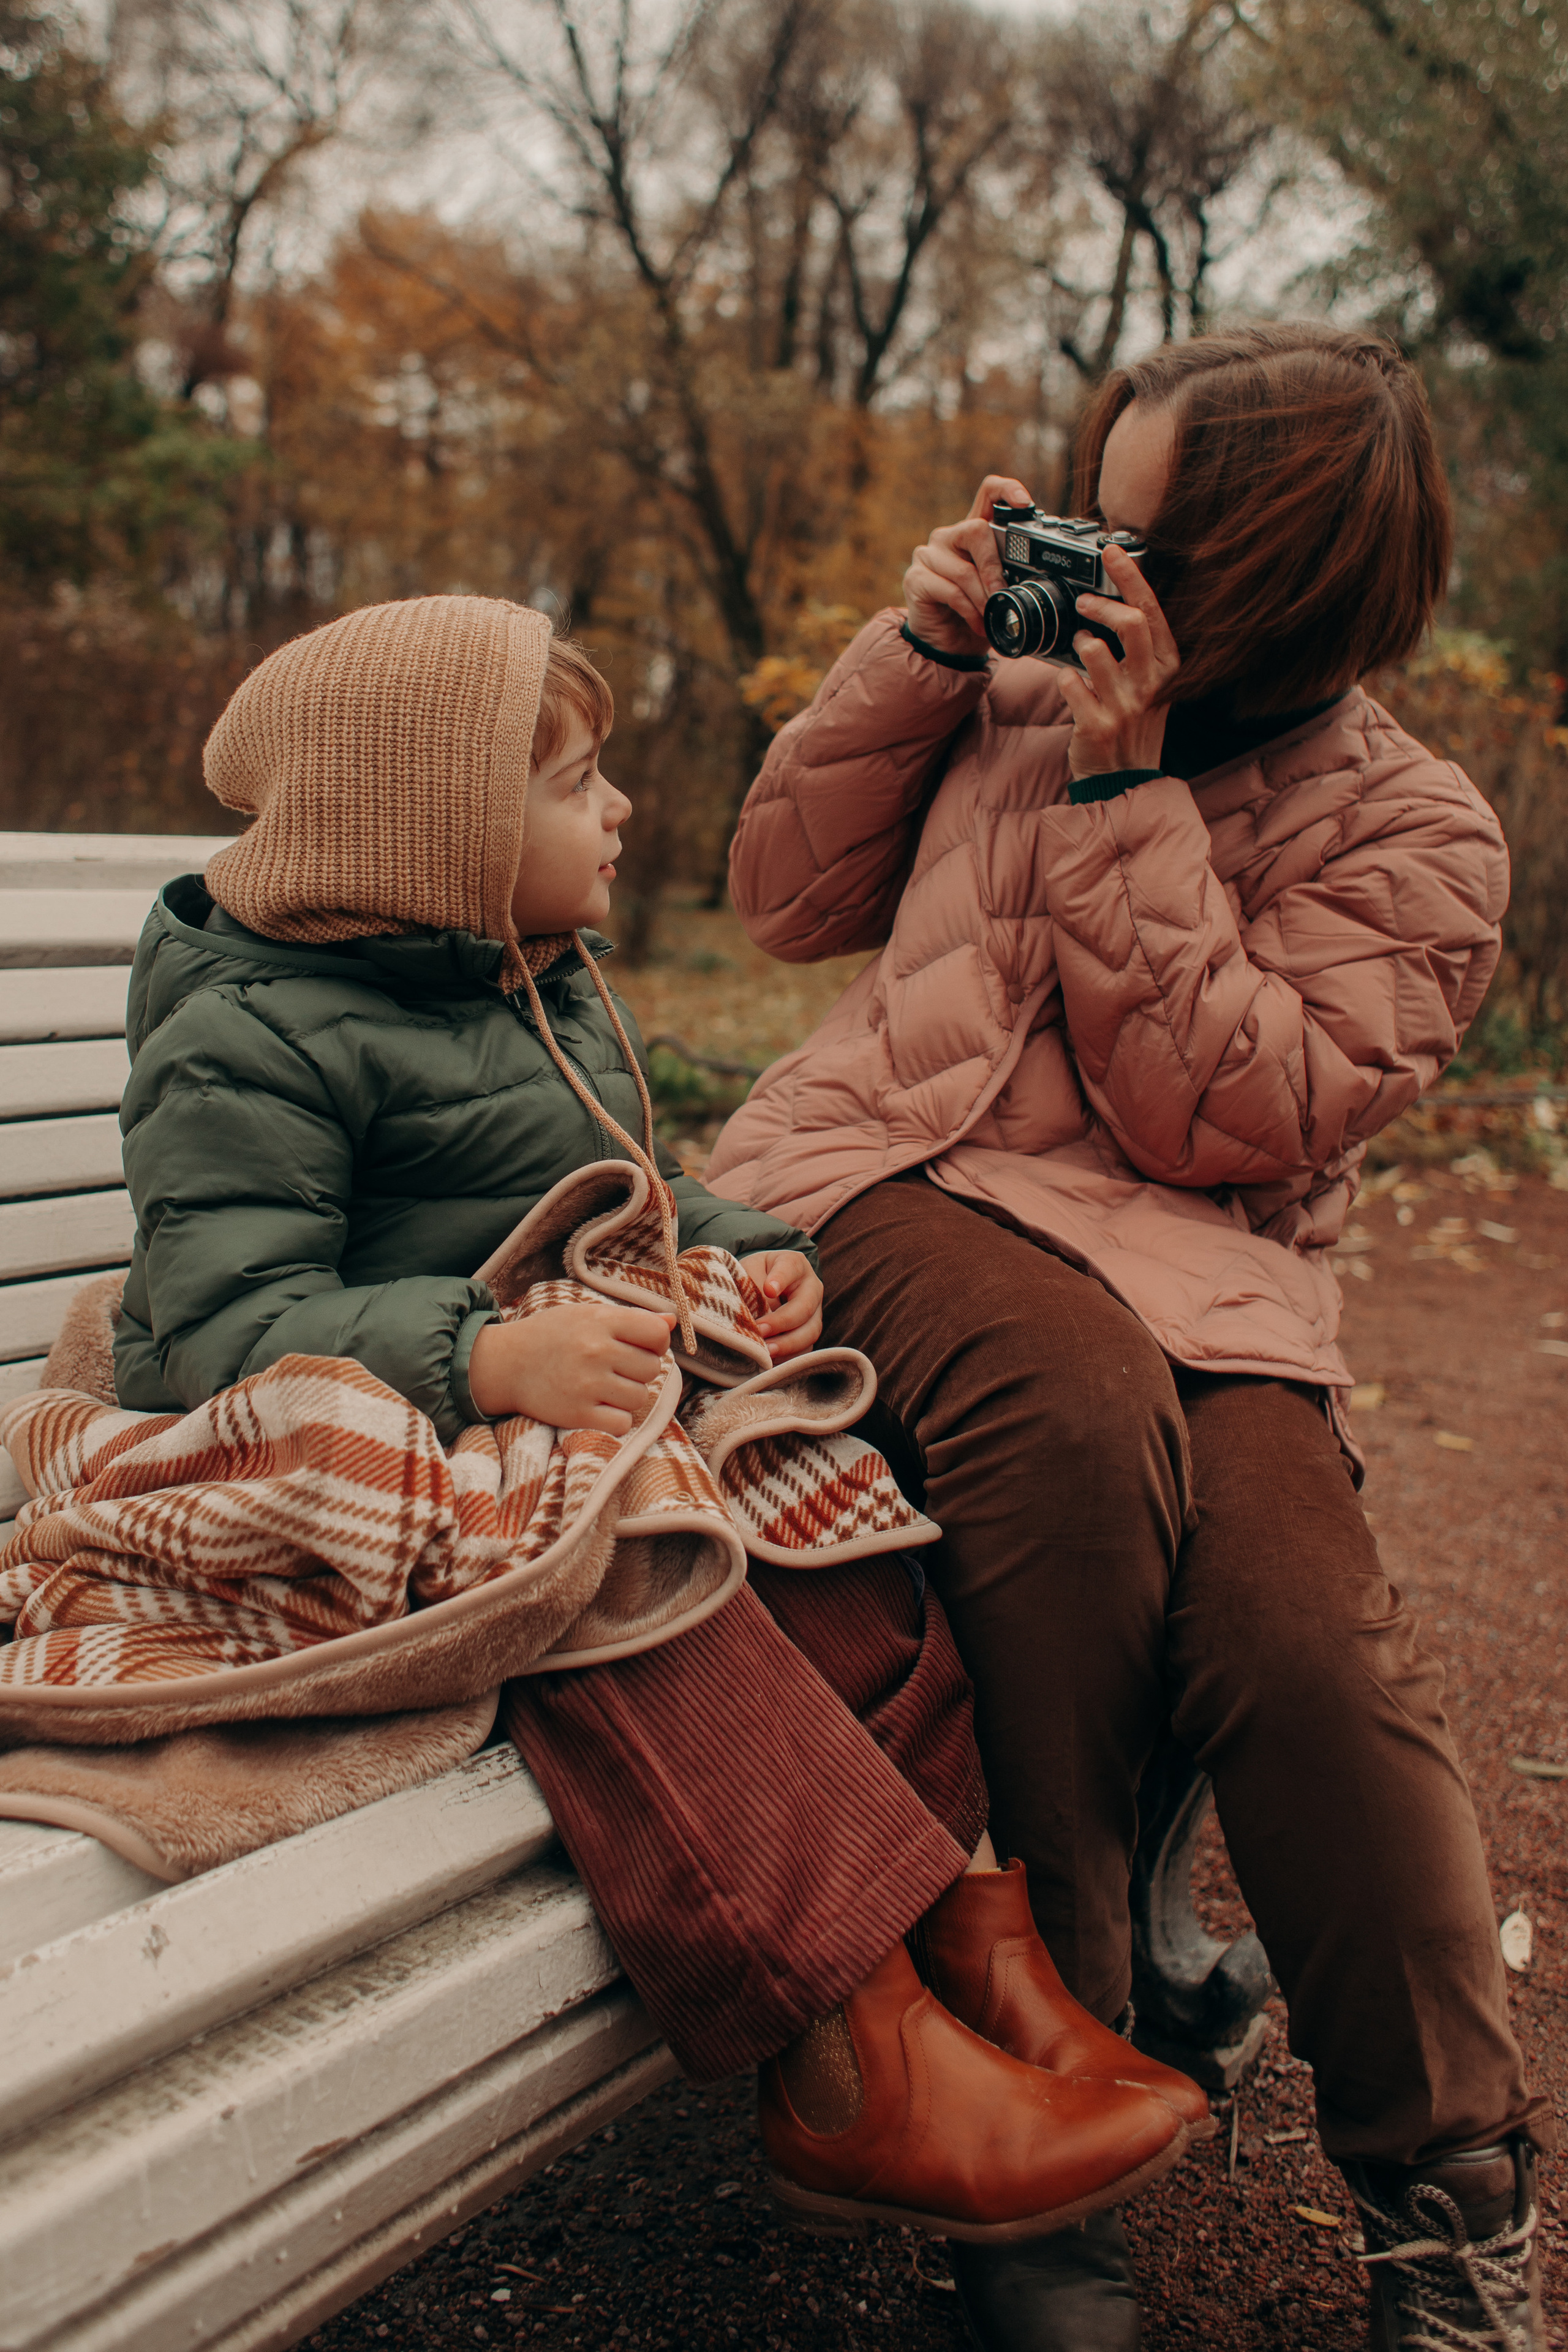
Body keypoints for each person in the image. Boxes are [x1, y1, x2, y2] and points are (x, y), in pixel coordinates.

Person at [110, 590, 1206, 2252]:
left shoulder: (521, 979)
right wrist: (486, 1359)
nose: (620, 809)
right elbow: (215, 1330)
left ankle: (965, 1935)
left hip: (551, 1396)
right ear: (437, 835)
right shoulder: (247, 1036)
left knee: (831, 1524)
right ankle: (851, 2057)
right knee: (649, 1581)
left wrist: (756, 1258)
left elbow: (647, 1189)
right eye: (575, 784)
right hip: (363, 1443)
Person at [709, 323, 1555, 2349]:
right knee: (1066, 1411)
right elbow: (780, 900)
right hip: (893, 1171)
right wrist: (916, 659)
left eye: (1147, 542)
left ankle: (1449, 2206)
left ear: (1283, 577)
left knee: (1305, 1635)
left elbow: (1223, 1122)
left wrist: (1123, 784)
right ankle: (1042, 2133)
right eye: (1090, 516)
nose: (1093, 572)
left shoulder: (1422, 831)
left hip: (1200, 1266)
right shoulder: (1009, 681)